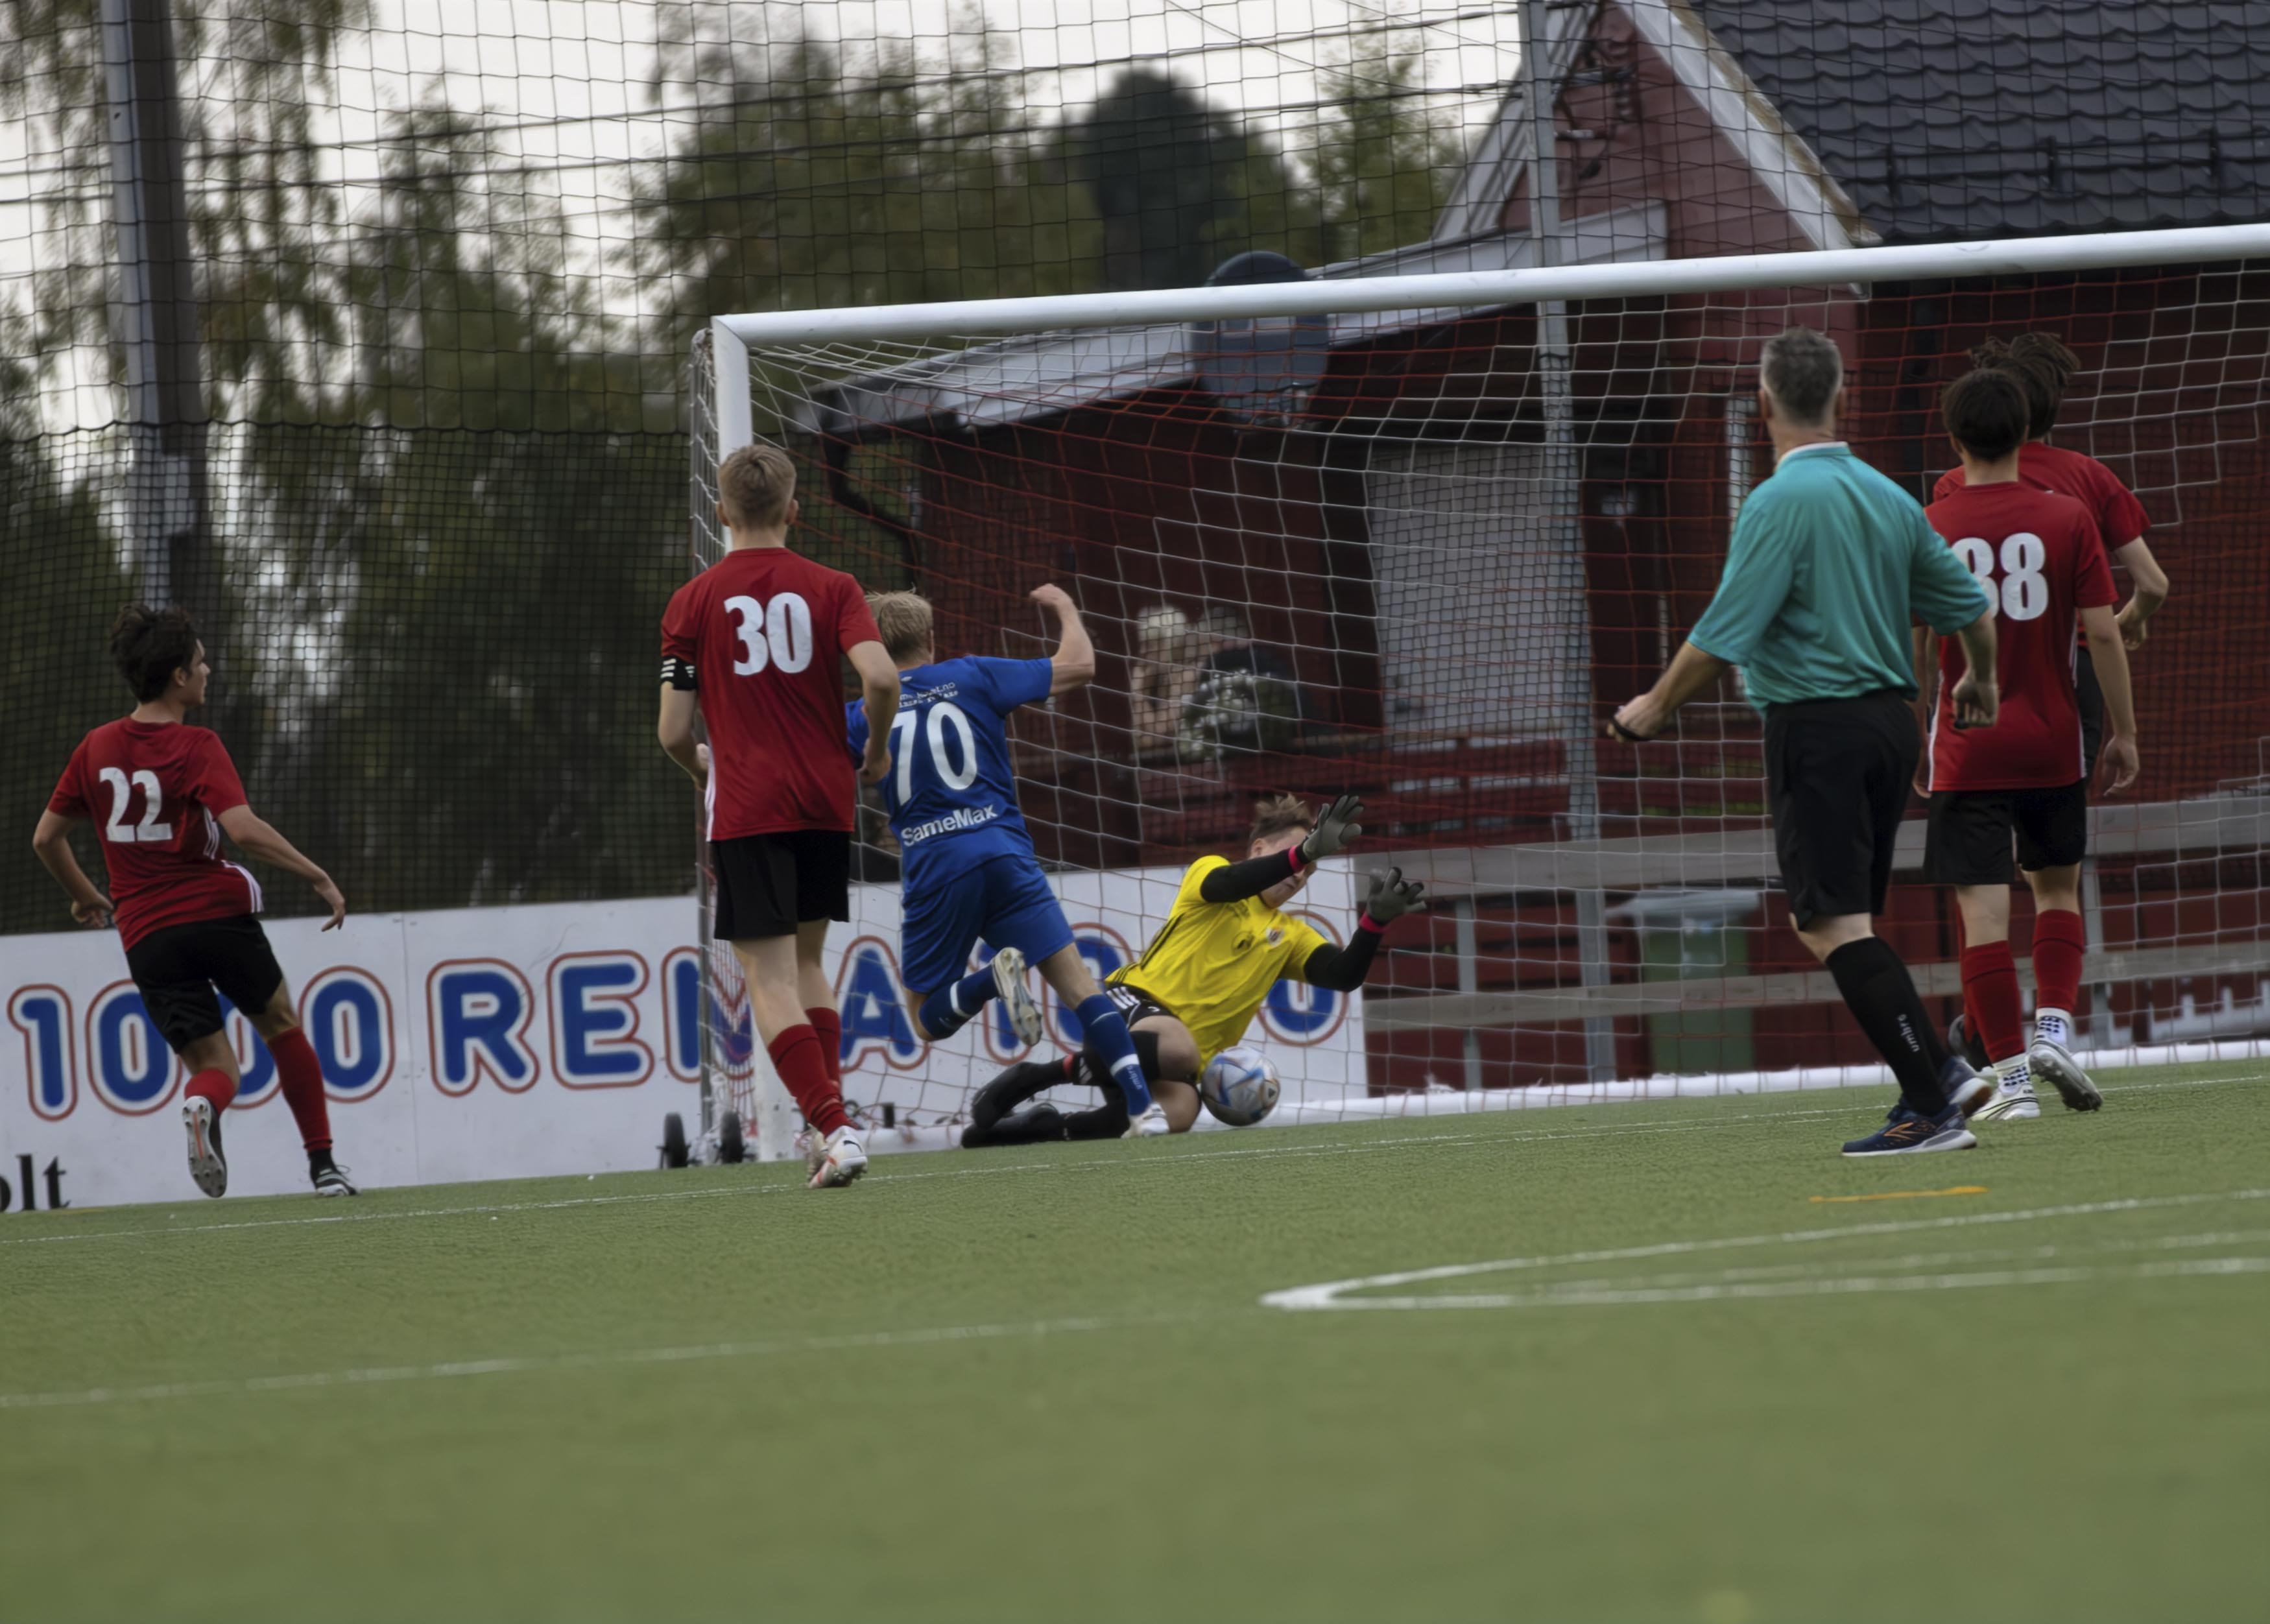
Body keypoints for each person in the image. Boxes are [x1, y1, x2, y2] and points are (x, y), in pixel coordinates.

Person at [1610, 326, 2000, 1159]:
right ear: (1843, 398)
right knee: (1837, 917)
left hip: (1818, 727)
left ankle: (1931, 1108)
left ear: (1761, 403)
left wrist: (1654, 704)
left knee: (1828, 923)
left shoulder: (1776, 502)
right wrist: (1982, 681)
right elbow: (1969, 607)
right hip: (1892, 726)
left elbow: (1724, 633)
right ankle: (1942, 1071)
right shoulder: (1890, 494)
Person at [32, 604, 355, 1199]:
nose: (208, 671)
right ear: (178, 677)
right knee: (281, 1025)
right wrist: (318, 877)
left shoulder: (95, 748)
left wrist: (86, 898)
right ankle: (324, 1166)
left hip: (147, 936)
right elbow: (245, 831)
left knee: (216, 1071)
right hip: (215, 915)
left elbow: (46, 838)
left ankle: (201, 1106)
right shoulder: (196, 745)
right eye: (201, 663)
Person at [658, 442, 901, 1189]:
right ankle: (826, 1127)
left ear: (723, 512)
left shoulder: (690, 603)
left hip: (749, 804)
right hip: (824, 798)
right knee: (806, 963)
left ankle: (833, 1126)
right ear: (795, 509)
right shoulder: (834, 585)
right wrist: (878, 750)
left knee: (765, 975)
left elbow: (671, 730)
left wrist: (703, 764)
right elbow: (882, 676)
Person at [846, 585, 1169, 1138]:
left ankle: (990, 983)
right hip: (1003, 851)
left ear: (870, 649)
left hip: (935, 864)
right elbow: (1081, 665)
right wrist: (1068, 607)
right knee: (1081, 990)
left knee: (925, 1018)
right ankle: (1145, 1109)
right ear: (930, 638)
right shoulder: (972, 675)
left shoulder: (858, 717)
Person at [1931, 331, 2170, 1069]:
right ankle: (2054, 1030)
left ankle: (1990, 1047)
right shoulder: (2083, 484)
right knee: (2052, 880)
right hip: (2062, 696)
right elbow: (2151, 585)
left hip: (1970, 712)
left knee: (1978, 894)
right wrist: (2122, 626)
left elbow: (1925, 620)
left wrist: (1918, 723)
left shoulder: (1943, 497)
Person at [962, 793, 1423, 1145]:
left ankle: (1033, 1132)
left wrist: (1374, 922)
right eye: (1296, 854)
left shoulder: (1291, 936)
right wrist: (1302, 852)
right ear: (1260, 847)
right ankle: (1036, 1077)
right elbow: (1230, 881)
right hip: (1126, 1010)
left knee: (1178, 1114)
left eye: (1310, 866)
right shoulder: (1212, 872)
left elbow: (1343, 975)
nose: (1300, 872)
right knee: (1180, 1049)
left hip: (1175, 1059)